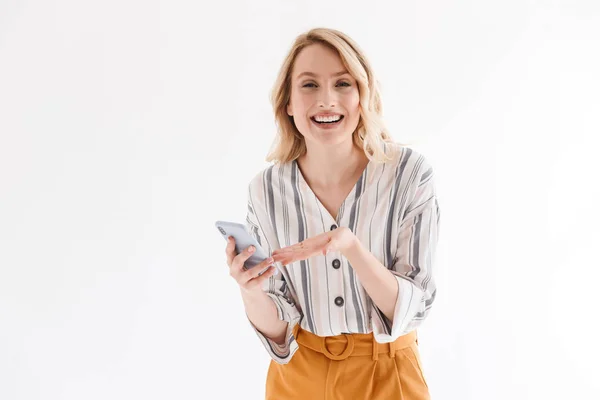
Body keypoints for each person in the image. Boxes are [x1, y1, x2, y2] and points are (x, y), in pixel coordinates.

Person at [224, 27, 440, 400]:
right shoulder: (266, 190)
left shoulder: (408, 173)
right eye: (309, 85)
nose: (326, 100)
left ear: (363, 96)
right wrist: (251, 290)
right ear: (288, 102)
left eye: (343, 84)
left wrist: (352, 248)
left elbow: (411, 308)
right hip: (298, 376)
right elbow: (279, 331)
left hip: (388, 372)